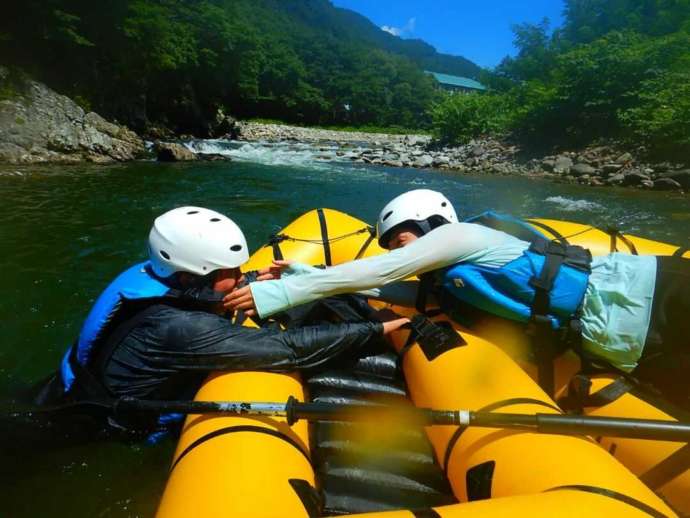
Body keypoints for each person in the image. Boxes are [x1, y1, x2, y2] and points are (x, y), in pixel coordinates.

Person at [226, 189, 690, 407]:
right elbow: (390, 287)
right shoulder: (454, 282)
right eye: (390, 243)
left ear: (429, 225)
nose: (398, 249)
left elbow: (382, 270)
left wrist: (280, 292)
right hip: (629, 339)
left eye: (402, 237)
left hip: (656, 293)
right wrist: (309, 271)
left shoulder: (466, 237)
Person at [37, 206, 409, 426]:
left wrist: (257, 280)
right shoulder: (178, 327)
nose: (238, 276)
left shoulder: (151, 276)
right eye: (227, 273)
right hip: (87, 427)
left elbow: (206, 292)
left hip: (59, 387)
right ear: (188, 276)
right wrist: (375, 328)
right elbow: (287, 349)